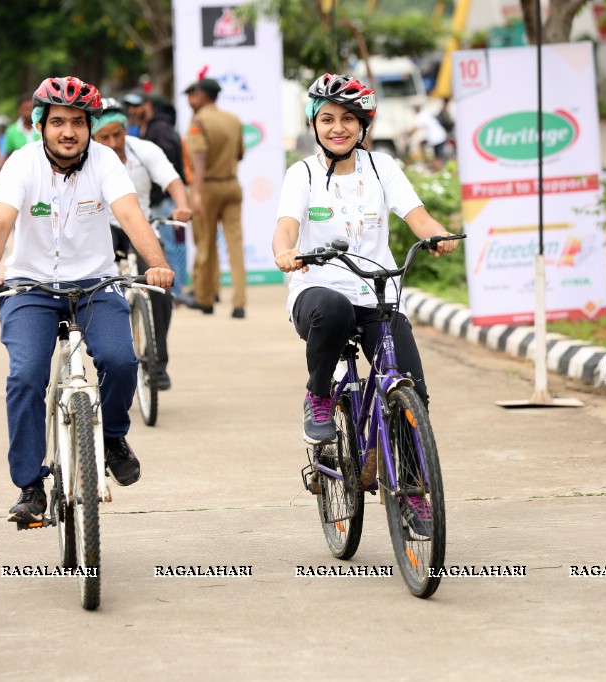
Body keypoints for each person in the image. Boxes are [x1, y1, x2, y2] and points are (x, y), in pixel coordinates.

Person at [0, 76, 173, 525]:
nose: (68, 131)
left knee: (120, 361)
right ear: (40, 125)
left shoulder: (105, 162)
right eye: (57, 121)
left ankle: (114, 437)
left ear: (89, 126)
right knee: (25, 377)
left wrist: (156, 263)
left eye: (78, 122)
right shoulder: (21, 164)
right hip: (30, 289)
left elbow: (131, 215)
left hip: (95, 284)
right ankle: (29, 485)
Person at [272, 73, 458, 448]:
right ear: (313, 123)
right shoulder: (302, 173)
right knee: (333, 307)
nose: (338, 128)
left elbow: (418, 217)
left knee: (414, 396)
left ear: (362, 125)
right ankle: (319, 395)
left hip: (379, 296)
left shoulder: (382, 167)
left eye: (348, 119)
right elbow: (286, 227)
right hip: (318, 293)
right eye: (327, 119)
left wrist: (437, 234)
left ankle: (412, 493)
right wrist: (285, 252)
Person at [92, 98, 192, 390]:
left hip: (141, 226)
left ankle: (157, 362)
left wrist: (182, 206)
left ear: (126, 129)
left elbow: (173, 181)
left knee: (162, 287)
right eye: (105, 137)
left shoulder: (145, 150)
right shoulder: (89, 158)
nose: (113, 142)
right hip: (103, 228)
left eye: (118, 134)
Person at [184, 76, 246, 318]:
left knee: (206, 244)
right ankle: (239, 303)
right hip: (232, 184)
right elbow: (240, 154)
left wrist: (196, 193)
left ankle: (205, 298)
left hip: (207, 187)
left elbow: (198, 160)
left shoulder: (199, 121)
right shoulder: (234, 119)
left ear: (202, 96)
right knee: (235, 246)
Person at [122, 90, 191, 306]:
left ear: (148, 106)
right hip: (149, 201)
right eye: (130, 107)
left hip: (161, 201)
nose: (132, 110)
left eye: (137, 105)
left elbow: (168, 167)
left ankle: (175, 292)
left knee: (168, 247)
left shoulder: (159, 129)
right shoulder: (142, 128)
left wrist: (170, 196)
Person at [407, 104, 448, 171]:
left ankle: (438, 169)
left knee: (438, 154)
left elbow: (415, 128)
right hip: (438, 136)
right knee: (436, 153)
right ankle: (435, 166)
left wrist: (407, 135)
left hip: (436, 137)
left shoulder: (421, 116)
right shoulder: (425, 113)